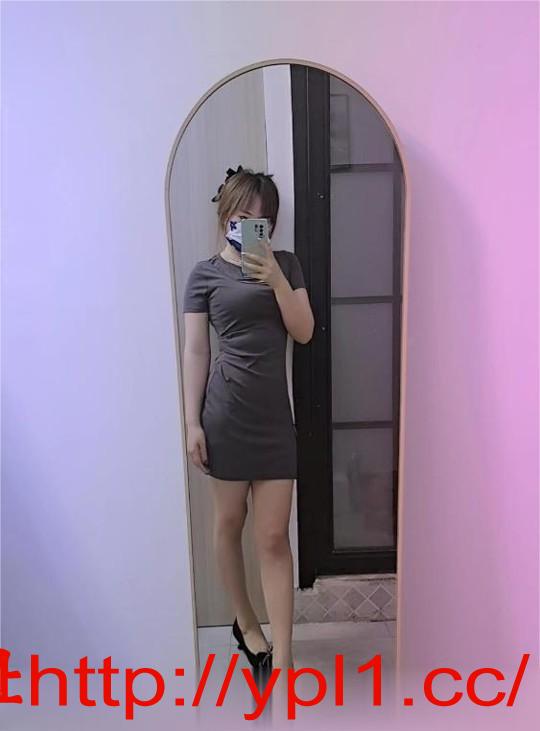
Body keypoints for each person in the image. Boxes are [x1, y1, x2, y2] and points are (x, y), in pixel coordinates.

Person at [182, 165, 314, 674]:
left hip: (274, 421)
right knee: (228, 524)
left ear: (271, 226)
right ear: (225, 214)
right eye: (241, 215)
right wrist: (192, 424)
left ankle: (284, 658)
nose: (249, 225)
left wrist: (275, 277)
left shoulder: (286, 265)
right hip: (225, 416)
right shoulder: (204, 275)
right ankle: (247, 625)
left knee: (274, 537)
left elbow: (303, 331)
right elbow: (196, 350)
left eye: (261, 220)